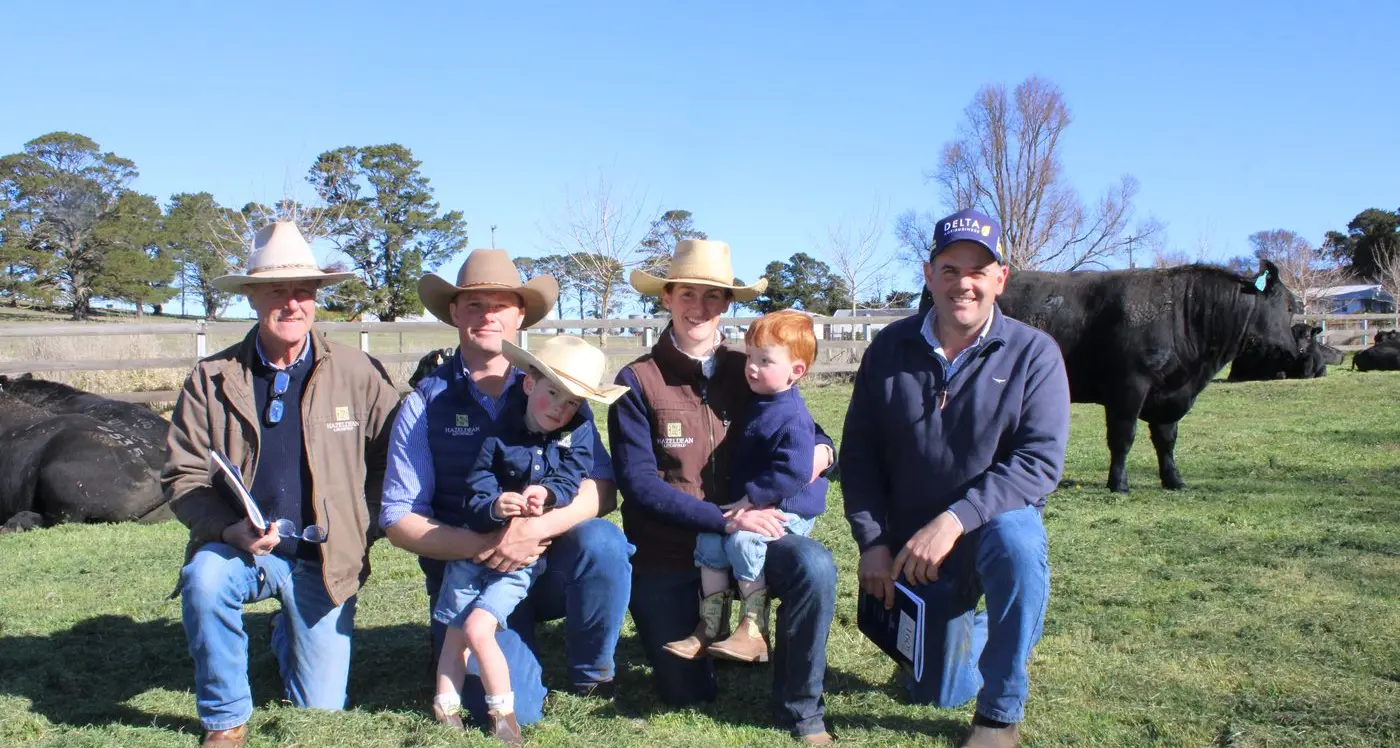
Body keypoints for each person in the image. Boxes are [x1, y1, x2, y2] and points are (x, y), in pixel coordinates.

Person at [163, 222, 401, 748]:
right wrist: (227, 530)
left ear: (316, 297)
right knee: (205, 579)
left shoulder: (358, 371)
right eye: (277, 291)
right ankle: (225, 719)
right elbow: (184, 473)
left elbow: (396, 459)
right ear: (251, 297)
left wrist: (361, 525)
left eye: (303, 291)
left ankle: (286, 630)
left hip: (325, 560)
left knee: (321, 707)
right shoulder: (212, 377)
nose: (292, 304)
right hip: (245, 549)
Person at [839, 208, 1070, 748]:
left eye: (977, 271)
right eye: (949, 269)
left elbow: (1038, 462)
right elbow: (860, 454)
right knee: (934, 692)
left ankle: (999, 716)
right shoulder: (889, 349)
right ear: (929, 275)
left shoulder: (1034, 353)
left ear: (1000, 279)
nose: (963, 284)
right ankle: (997, 630)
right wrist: (873, 542)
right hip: (913, 551)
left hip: (987, 530)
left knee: (1018, 543)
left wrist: (954, 520)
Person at [379, 249, 632, 727]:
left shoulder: (560, 390)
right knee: (516, 711)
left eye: (501, 305)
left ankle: (592, 674)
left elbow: (602, 487)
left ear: (520, 315)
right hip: (469, 574)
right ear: (454, 312)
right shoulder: (425, 402)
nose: (487, 315)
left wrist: (532, 531)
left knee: (603, 542)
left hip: (546, 562)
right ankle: (471, 641)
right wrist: (485, 544)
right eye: (474, 304)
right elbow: (398, 517)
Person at [609, 239, 839, 745]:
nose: (700, 306)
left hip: (757, 529)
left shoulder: (750, 366)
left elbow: (803, 426)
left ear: (728, 303)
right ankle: (722, 631)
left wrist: (825, 452)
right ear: (667, 297)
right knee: (686, 692)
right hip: (672, 547)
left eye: (713, 295)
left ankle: (802, 709)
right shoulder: (638, 381)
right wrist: (725, 519)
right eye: (687, 293)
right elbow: (639, 485)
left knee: (815, 566)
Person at [431, 336, 628, 746]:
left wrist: (550, 495)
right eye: (553, 393)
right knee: (457, 629)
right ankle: (445, 703)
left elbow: (576, 477)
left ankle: (514, 709)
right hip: (477, 553)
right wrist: (494, 506)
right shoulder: (500, 433)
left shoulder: (579, 431)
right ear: (529, 384)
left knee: (478, 627)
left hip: (529, 561)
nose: (560, 407)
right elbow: (478, 483)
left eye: (572, 401)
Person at [664, 309, 827, 664]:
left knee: (744, 540)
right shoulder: (759, 399)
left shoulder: (792, 415)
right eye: (750, 356)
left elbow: (795, 471)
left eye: (764, 360)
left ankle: (754, 630)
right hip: (755, 503)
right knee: (709, 538)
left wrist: (754, 498)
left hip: (787, 508)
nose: (751, 367)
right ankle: (711, 624)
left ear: (796, 371)